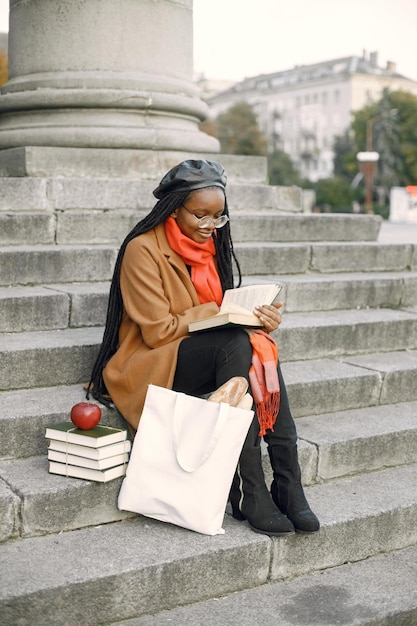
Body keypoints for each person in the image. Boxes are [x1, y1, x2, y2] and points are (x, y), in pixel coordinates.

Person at [88, 159, 319, 536]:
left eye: (218, 217)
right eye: (200, 215)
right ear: (174, 209)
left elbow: (219, 323)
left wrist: (260, 318)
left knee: (255, 344)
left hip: (209, 353)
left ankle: (288, 483)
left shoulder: (212, 246)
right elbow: (158, 331)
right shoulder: (142, 250)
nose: (209, 226)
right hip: (153, 361)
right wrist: (221, 312)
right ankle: (252, 489)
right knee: (236, 342)